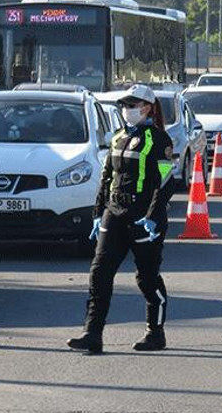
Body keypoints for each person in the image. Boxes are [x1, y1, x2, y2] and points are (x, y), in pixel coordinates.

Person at [67, 85, 175, 355]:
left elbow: (165, 183)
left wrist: (152, 217)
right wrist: (98, 213)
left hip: (143, 217)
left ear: (147, 108)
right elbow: (106, 178)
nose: (127, 109)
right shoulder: (118, 137)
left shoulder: (159, 140)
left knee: (147, 278)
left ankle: (155, 332)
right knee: (99, 272)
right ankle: (92, 333)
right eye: (124, 105)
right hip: (114, 212)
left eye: (132, 105)